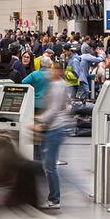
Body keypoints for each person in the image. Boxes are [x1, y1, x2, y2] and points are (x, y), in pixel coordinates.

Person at [37, 62, 73, 210]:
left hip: (56, 128)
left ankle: (54, 199)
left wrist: (39, 121)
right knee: (47, 163)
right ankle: (53, 197)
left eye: (54, 69)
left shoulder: (59, 86)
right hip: (53, 127)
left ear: (59, 71)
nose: (50, 72)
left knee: (50, 165)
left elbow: (53, 109)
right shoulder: (56, 83)